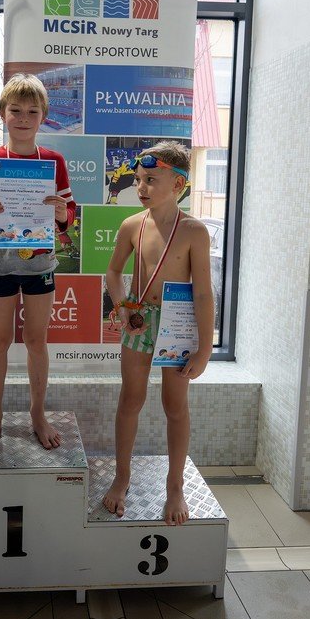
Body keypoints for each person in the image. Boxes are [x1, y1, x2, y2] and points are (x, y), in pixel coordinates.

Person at [102, 140, 213, 524]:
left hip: (178, 322)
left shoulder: (194, 232)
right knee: (130, 399)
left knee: (175, 406)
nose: (141, 187)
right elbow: (113, 272)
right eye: (138, 179)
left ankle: (175, 486)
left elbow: (203, 293)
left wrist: (204, 349)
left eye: (151, 180)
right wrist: (122, 307)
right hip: (139, 319)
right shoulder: (132, 225)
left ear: (178, 185)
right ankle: (122, 478)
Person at [0, 73, 76, 453]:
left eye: (32, 111)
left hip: (39, 267)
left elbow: (69, 212)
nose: (23, 118)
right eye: (16, 110)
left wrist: (62, 214)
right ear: (3, 114)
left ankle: (38, 414)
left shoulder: (53, 161)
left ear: (44, 115)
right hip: (0, 265)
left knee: (36, 340)